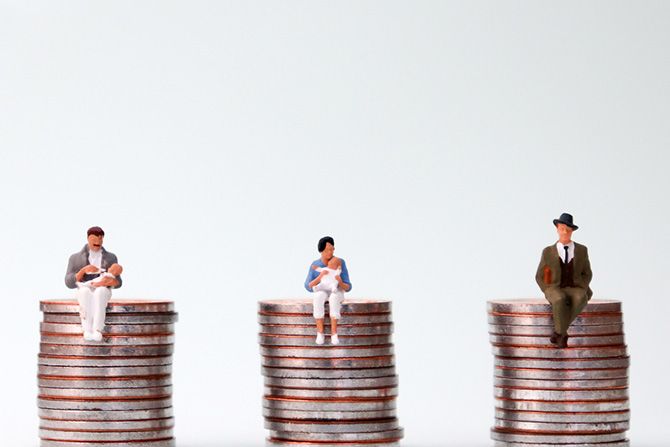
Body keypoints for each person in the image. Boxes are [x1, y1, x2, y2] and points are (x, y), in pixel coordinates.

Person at [535, 213, 592, 348]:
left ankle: (559, 333)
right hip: (554, 287)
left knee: (581, 297)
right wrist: (547, 288)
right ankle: (562, 334)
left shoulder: (582, 250)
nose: (565, 232)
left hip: (575, 286)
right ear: (557, 229)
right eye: (562, 229)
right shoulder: (548, 251)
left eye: (568, 229)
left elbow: (587, 273)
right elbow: (540, 275)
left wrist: (583, 286)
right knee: (559, 299)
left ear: (572, 231)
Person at [65, 226, 123, 341]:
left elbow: (119, 282)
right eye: (94, 239)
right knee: (84, 292)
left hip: (103, 288)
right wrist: (83, 271)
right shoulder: (75, 258)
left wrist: (111, 281)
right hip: (85, 286)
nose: (98, 242)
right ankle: (87, 329)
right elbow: (68, 282)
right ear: (88, 239)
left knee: (100, 293)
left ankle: (97, 329)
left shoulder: (111, 258)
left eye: (100, 239)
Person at [304, 236, 352, 345]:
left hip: (335, 290)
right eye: (327, 250)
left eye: (332, 249)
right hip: (323, 288)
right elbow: (308, 286)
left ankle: (334, 333)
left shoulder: (340, 262)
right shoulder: (316, 265)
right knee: (318, 296)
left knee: (334, 297)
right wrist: (320, 277)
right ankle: (320, 333)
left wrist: (340, 283)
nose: (330, 252)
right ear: (321, 251)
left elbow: (348, 286)